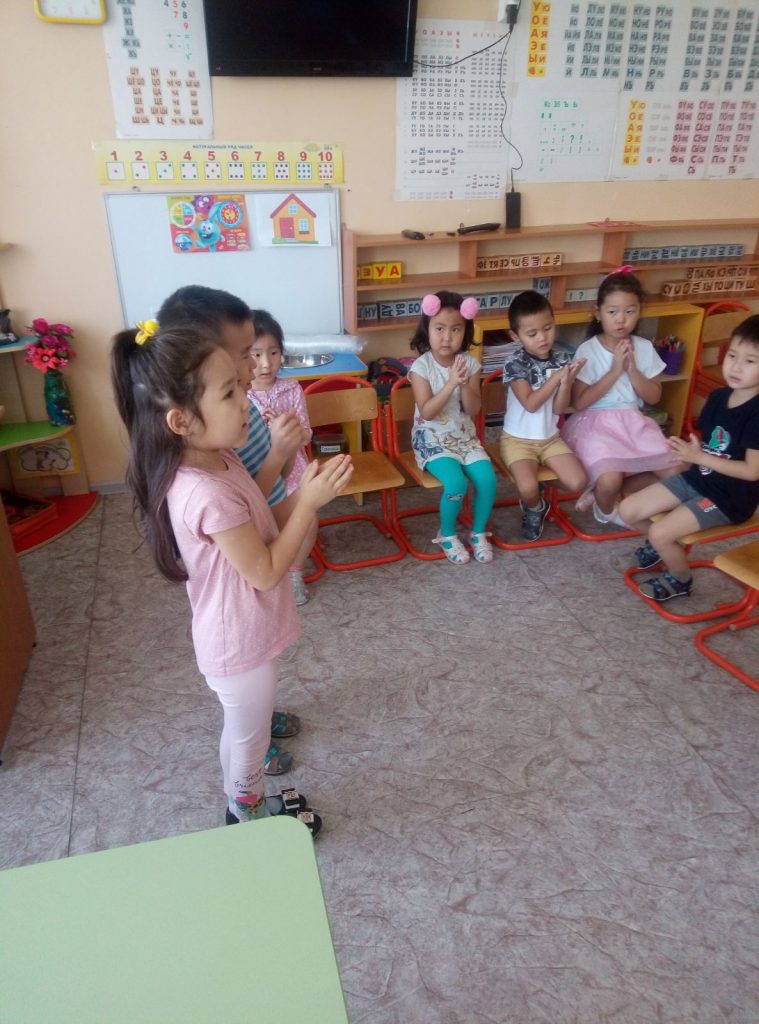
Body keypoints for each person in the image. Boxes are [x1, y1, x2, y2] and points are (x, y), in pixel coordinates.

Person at [110, 319, 353, 831]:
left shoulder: (217, 460)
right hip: (237, 642)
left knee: (245, 727)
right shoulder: (203, 491)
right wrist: (309, 503)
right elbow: (265, 571)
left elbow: (258, 516)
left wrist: (298, 487)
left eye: (241, 388)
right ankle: (245, 815)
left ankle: (242, 798)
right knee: (248, 740)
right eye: (229, 393)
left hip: (243, 633)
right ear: (181, 420)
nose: (247, 402)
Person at [157, 287, 316, 608]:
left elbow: (264, 497)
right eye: (246, 354)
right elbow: (251, 517)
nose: (256, 367)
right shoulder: (217, 442)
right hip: (249, 578)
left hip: (266, 538)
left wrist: (288, 459)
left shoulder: (235, 416)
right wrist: (300, 489)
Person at [619, 314, 759, 601]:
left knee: (660, 532)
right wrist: (687, 452)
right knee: (628, 510)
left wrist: (699, 457)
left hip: (728, 498)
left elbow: (751, 471)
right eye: (732, 355)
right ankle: (664, 548)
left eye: (750, 361)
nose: (736, 366)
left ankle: (680, 578)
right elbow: (709, 446)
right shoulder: (719, 397)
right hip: (698, 479)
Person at [561, 270, 679, 526]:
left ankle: (603, 493)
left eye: (630, 311)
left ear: (639, 312)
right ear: (598, 313)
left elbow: (654, 397)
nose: (621, 319)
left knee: (676, 471)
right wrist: (615, 371)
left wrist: (632, 370)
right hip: (595, 423)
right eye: (612, 311)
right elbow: (579, 403)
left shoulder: (643, 347)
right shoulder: (588, 349)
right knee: (610, 479)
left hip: (633, 422)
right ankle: (607, 510)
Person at [408, 290, 497, 564]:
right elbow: (427, 412)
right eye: (439, 328)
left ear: (466, 332)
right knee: (456, 483)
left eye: (456, 329)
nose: (447, 337)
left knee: (488, 481)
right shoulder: (421, 367)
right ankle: (446, 533)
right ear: (427, 330)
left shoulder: (470, 364)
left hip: (464, 438)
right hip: (431, 440)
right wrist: (450, 384)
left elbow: (473, 409)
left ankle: (478, 532)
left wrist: (466, 383)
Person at [502, 290, 588, 541]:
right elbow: (530, 404)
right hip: (517, 440)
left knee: (578, 482)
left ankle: (538, 489)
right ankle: (535, 507)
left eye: (548, 328)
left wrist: (567, 383)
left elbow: (559, 409)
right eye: (532, 334)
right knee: (527, 487)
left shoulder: (561, 358)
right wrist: (557, 378)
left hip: (550, 438)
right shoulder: (514, 362)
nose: (542, 338)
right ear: (515, 336)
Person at [248, 309, 312, 499]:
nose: (266, 363)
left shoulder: (291, 389)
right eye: (256, 355)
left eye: (274, 353)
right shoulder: (240, 394)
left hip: (294, 470)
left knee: (301, 507)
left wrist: (286, 428)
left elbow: (306, 435)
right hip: (256, 469)